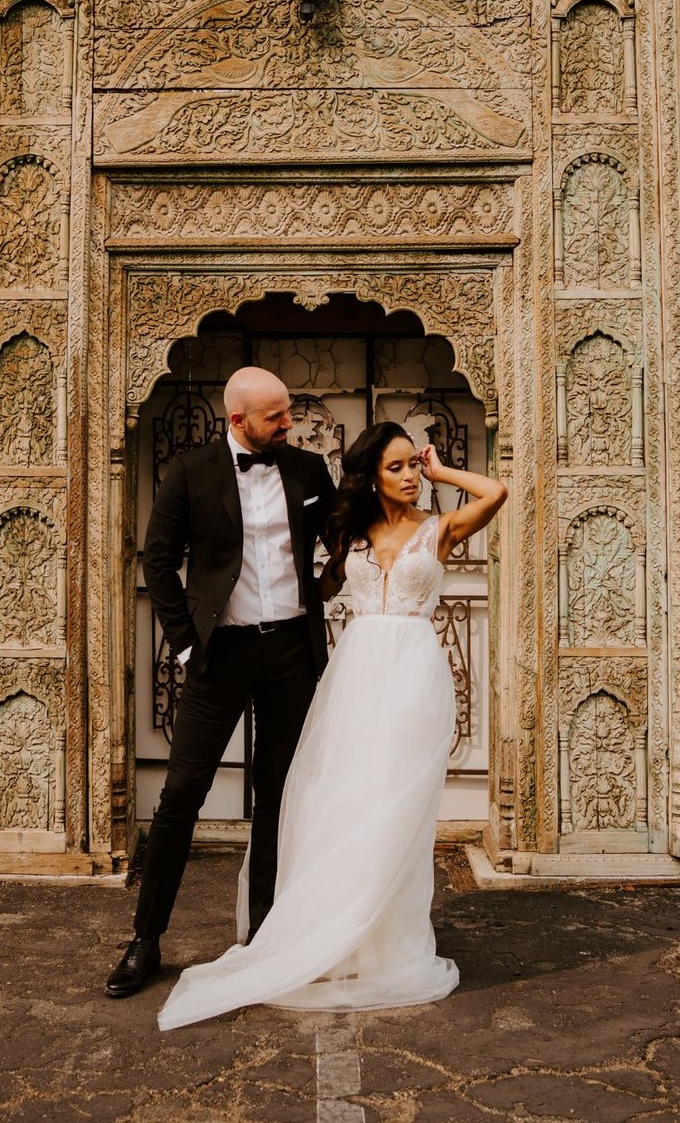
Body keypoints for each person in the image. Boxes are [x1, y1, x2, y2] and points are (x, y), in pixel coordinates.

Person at [155, 421, 508, 1030]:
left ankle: (388, 936)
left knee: (398, 805)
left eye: (411, 466)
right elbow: (307, 589)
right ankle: (336, 930)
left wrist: (440, 469)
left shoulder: (440, 527)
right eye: (395, 467)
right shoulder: (350, 535)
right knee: (344, 800)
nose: (407, 477)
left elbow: (496, 493)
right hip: (354, 676)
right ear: (372, 474)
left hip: (414, 677)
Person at [105, 367, 337, 999]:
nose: (288, 424)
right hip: (218, 657)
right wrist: (184, 646)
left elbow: (343, 540)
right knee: (181, 793)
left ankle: (266, 938)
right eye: (276, 417)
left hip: (292, 652)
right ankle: (145, 940)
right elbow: (158, 560)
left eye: (288, 413)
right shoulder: (189, 472)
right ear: (238, 420)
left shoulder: (309, 472)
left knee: (278, 797)